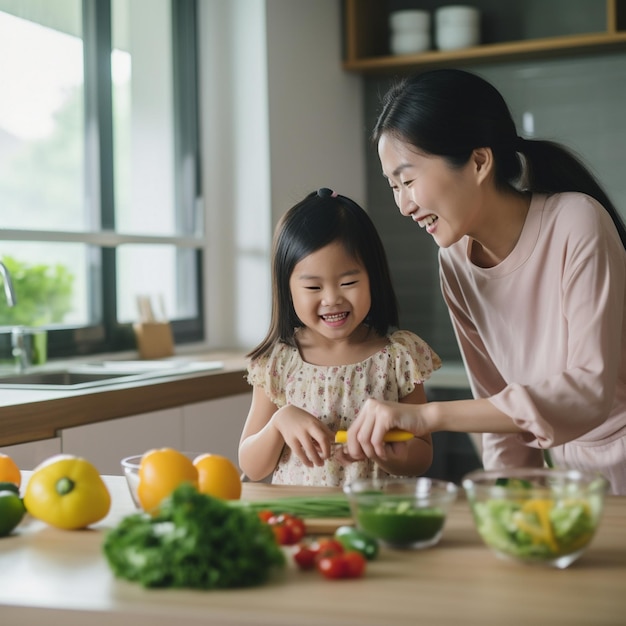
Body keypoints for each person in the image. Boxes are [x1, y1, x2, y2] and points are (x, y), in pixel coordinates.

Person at [344, 68, 626, 495]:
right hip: (576, 485)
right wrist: (504, 501)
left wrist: (430, 417)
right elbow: (497, 408)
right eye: (393, 186)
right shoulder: (455, 261)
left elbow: (590, 391)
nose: (404, 205)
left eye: (408, 180)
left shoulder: (576, 221)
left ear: (478, 161)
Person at [239, 188, 441, 486]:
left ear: (374, 277)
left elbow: (422, 455)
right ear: (287, 289)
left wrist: (381, 450)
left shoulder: (399, 357)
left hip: (373, 519)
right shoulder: (278, 362)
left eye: (348, 282)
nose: (332, 299)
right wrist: (279, 423)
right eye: (313, 288)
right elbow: (252, 467)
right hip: (301, 522)